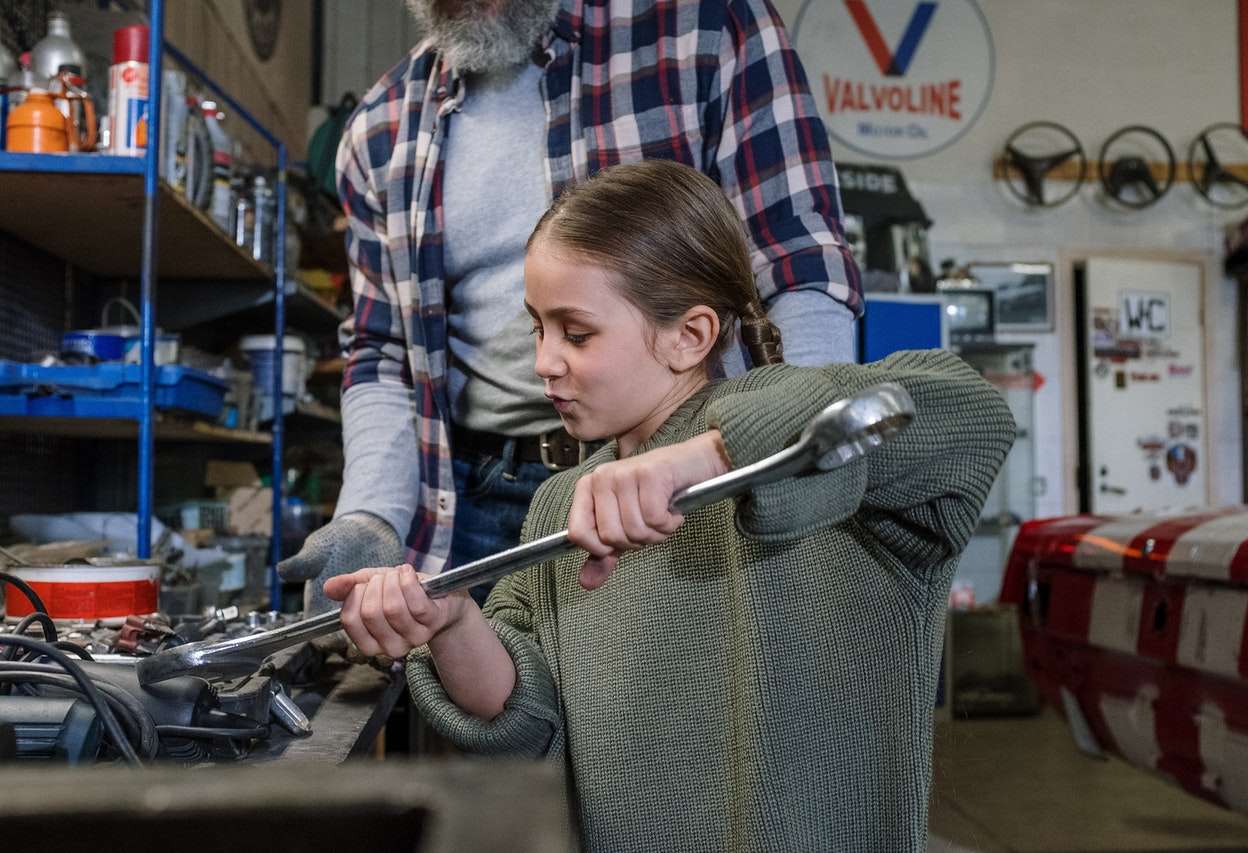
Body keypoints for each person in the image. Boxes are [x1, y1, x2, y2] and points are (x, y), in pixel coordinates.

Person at [325, 161, 1015, 851]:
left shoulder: (820, 459)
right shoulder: (563, 504)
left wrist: (706, 459)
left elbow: (975, 415)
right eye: (538, 327)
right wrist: (449, 622)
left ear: (690, 335)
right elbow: (527, 721)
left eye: (577, 332)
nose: (544, 361)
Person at [278, 0, 864, 613]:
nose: (544, 364)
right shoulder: (380, 130)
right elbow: (383, 352)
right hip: (472, 501)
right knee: (495, 698)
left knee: (676, 699)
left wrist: (788, 449)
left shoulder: (705, 31)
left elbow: (801, 264)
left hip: (678, 482)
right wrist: (371, 514)